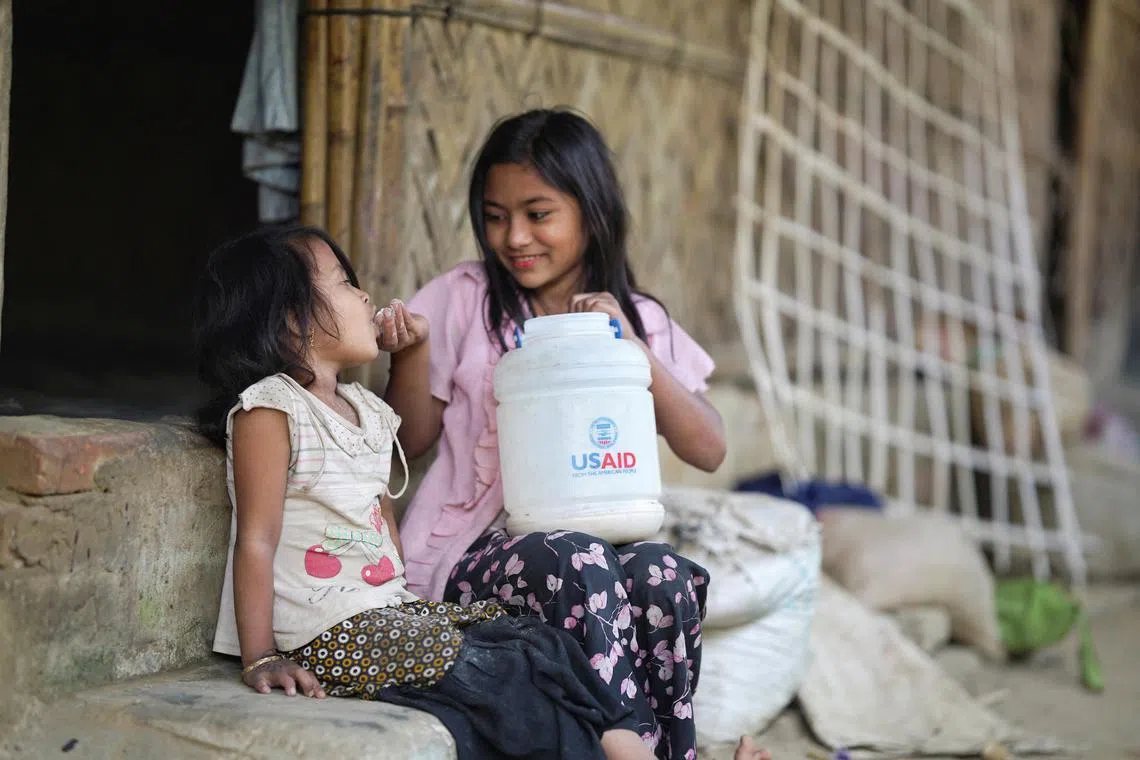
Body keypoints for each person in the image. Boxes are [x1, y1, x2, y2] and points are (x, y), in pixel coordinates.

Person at [193, 224, 663, 760]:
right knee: (496, 670)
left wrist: (412, 352)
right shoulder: (269, 409)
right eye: (345, 283)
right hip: (324, 632)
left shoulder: (362, 407)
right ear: (291, 317)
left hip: (385, 610)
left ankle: (627, 749)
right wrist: (259, 657)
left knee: (536, 640)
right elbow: (255, 539)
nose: (365, 294)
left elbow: (381, 507)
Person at [388, 108, 766, 760]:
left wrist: (634, 352)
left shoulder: (637, 318)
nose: (514, 237)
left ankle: (676, 753)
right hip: (471, 565)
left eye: (539, 214)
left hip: (597, 559)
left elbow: (709, 447)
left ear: (590, 214)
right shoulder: (464, 297)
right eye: (495, 215)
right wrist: (410, 354)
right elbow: (412, 439)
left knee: (663, 573)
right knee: (578, 558)